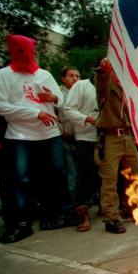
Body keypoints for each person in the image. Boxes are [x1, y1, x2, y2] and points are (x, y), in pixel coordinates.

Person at [0, 34, 74, 243]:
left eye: (29, 51)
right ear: (13, 51)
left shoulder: (44, 75)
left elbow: (63, 101)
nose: (27, 55)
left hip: (50, 134)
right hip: (20, 136)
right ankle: (21, 223)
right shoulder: (3, 76)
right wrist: (35, 113)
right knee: (20, 178)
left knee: (57, 172)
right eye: (21, 51)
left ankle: (55, 216)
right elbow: (0, 106)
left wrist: (54, 98)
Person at [94, 58, 138, 234]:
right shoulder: (104, 84)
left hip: (127, 137)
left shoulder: (127, 86)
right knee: (109, 180)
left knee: (135, 176)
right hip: (110, 138)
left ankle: (131, 209)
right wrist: (105, 69)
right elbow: (101, 79)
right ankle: (111, 218)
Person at [63, 76, 99, 231]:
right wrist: (87, 119)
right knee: (84, 175)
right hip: (85, 137)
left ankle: (107, 209)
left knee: (106, 176)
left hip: (107, 137)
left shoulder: (114, 84)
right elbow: (68, 109)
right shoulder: (81, 86)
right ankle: (82, 214)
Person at [59, 67, 80, 198]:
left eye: (77, 76)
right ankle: (72, 204)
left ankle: (85, 202)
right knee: (70, 172)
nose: (75, 78)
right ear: (63, 79)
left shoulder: (85, 91)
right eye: (71, 75)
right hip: (64, 138)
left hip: (82, 138)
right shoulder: (59, 94)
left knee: (82, 171)